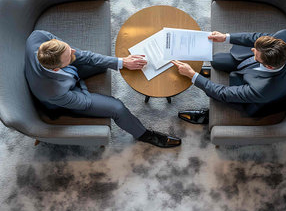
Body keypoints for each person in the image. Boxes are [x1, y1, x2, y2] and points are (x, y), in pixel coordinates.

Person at [25, 30, 181, 148]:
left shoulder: (38, 36)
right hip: (65, 100)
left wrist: (122, 62)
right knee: (117, 108)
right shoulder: (54, 91)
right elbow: (84, 102)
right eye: (69, 56)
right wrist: (81, 84)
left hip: (64, 77)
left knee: (97, 63)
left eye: (68, 48)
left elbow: (82, 55)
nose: (73, 51)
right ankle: (144, 135)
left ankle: (119, 64)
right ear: (56, 69)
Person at [173, 29, 286, 123]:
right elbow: (256, 37)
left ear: (269, 67)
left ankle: (208, 116)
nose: (252, 49)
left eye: (256, 53)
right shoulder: (285, 36)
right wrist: (225, 37)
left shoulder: (262, 89)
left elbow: (223, 93)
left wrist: (192, 75)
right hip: (254, 68)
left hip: (257, 99)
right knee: (216, 60)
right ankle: (221, 71)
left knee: (216, 96)